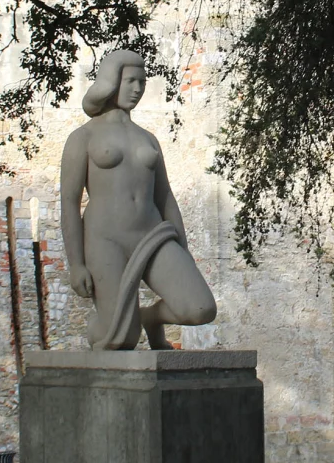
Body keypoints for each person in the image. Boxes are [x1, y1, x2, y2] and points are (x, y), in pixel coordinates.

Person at [59, 49, 216, 350]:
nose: (137, 89)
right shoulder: (83, 137)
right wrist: (76, 264)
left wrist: (184, 249)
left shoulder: (147, 138)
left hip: (153, 235)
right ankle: (104, 326)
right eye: (130, 81)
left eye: (142, 82)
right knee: (121, 338)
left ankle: (151, 318)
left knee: (200, 308)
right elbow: (69, 202)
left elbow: (165, 196)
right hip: (105, 240)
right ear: (110, 83)